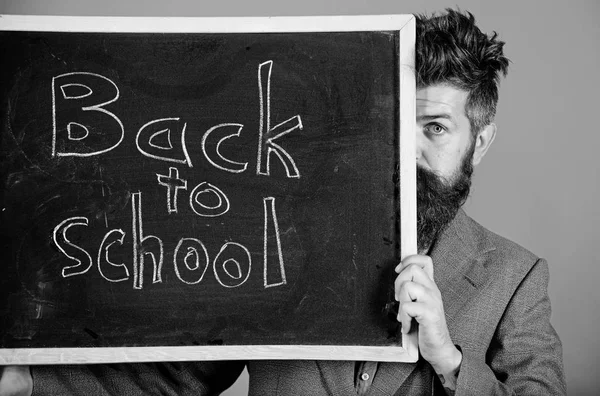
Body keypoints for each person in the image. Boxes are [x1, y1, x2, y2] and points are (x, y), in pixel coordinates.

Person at [0, 9, 565, 396]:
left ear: (481, 141)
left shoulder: (515, 279)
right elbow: (176, 379)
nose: (408, 150)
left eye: (435, 129)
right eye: (397, 122)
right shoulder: (279, 239)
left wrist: (449, 359)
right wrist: (27, 382)